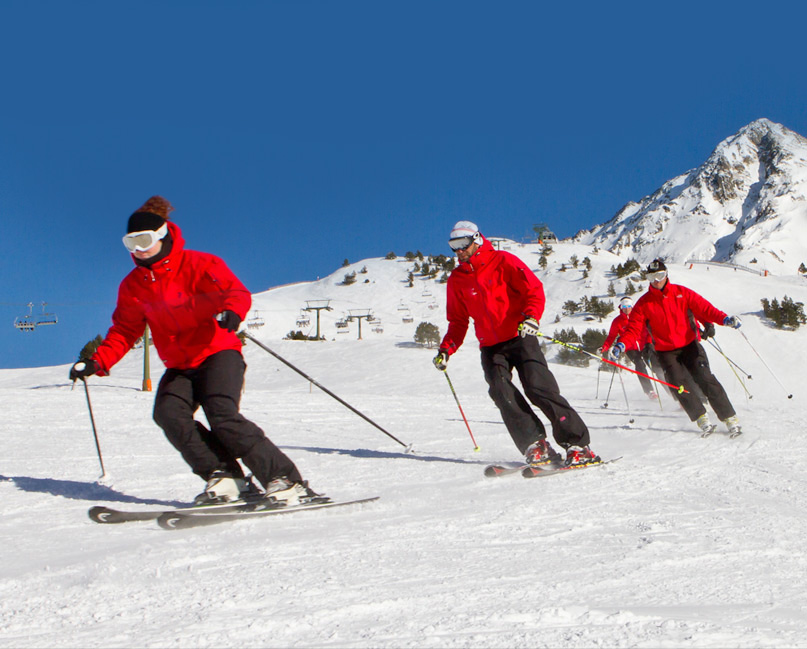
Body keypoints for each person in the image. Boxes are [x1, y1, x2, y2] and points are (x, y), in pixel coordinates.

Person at [69, 196, 315, 505]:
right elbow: (124, 330)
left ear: (162, 234)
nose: (138, 249)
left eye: (143, 240)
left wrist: (233, 311)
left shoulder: (199, 264)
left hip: (217, 352)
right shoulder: (133, 286)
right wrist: (96, 361)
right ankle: (226, 477)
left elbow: (234, 291)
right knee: (169, 414)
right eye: (129, 243)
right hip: (180, 364)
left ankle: (286, 480)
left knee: (222, 415)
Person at [432, 221, 598, 468]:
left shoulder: (503, 261)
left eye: (461, 244)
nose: (458, 251)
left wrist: (531, 317)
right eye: (452, 246)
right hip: (491, 346)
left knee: (538, 388)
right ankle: (536, 444)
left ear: (476, 239)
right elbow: (458, 320)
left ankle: (577, 444)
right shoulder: (458, 279)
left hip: (520, 335)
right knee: (501, 392)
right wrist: (446, 349)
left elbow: (533, 289)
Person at [608, 259, 743, 436]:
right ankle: (701, 418)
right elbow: (633, 329)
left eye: (660, 276)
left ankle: (729, 418)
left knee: (704, 378)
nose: (656, 281)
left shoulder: (682, 293)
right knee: (678, 385)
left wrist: (724, 319)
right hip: (665, 351)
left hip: (689, 345)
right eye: (651, 277)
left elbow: (705, 309)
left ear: (666, 275)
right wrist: (621, 344)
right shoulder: (643, 304)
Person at [601, 296, 659, 399]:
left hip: (644, 345)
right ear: (621, 307)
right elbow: (611, 337)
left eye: (628, 306)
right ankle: (649, 391)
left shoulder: (639, 316)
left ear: (632, 306)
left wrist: (650, 342)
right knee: (639, 365)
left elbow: (650, 329)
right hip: (630, 347)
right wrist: (605, 347)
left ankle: (672, 391)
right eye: (624, 306)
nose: (626, 309)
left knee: (655, 365)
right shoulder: (617, 321)